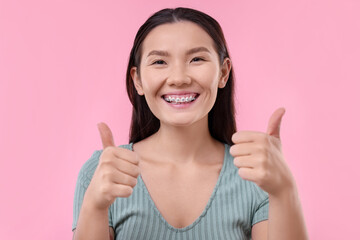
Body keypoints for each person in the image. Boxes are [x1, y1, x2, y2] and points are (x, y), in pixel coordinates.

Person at [72, 7, 308, 240]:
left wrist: (284, 190)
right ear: (138, 80)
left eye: (197, 59)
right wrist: (95, 205)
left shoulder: (257, 175)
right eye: (159, 62)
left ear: (223, 73)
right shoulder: (102, 174)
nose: (179, 78)